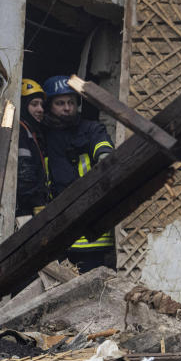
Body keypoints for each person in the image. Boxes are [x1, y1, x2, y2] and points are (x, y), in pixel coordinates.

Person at [41, 75, 116, 273]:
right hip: (57, 232)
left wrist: (105, 157)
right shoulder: (42, 136)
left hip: (92, 234)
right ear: (49, 106)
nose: (67, 108)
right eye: (60, 103)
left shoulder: (91, 129)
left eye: (71, 102)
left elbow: (103, 147)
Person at [16, 79, 49, 218]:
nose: (40, 109)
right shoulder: (21, 130)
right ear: (23, 105)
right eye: (34, 104)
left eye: (41, 104)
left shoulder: (33, 131)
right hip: (24, 209)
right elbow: (24, 173)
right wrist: (37, 202)